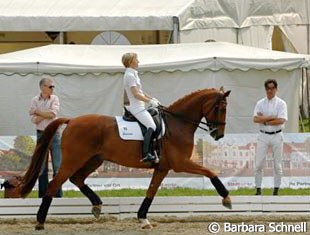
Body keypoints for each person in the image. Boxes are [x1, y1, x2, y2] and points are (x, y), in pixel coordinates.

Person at [122, 52, 160, 163]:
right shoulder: (129, 76)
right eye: (136, 59)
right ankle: (146, 154)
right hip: (136, 107)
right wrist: (149, 101)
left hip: (140, 105)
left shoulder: (134, 74)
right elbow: (136, 94)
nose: (138, 61)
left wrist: (152, 99)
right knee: (151, 125)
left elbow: (141, 92)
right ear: (130, 62)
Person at [29, 75, 62, 197]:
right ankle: (43, 196)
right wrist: (45, 115)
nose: (53, 88)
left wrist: (37, 112)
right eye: (50, 86)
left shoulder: (55, 98)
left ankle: (57, 196)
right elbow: (33, 120)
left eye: (53, 86)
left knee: (57, 167)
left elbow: (53, 114)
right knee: (42, 169)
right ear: (43, 87)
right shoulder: (34, 100)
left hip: (54, 133)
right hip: (41, 134)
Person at [253, 79, 288, 196]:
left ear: (276, 89)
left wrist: (265, 120)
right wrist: (272, 117)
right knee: (258, 164)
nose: (270, 90)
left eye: (272, 88)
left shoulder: (281, 103)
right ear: (265, 89)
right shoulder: (260, 103)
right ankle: (258, 189)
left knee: (277, 165)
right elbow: (255, 119)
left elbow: (281, 120)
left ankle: (276, 190)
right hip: (263, 135)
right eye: (268, 88)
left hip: (277, 135)